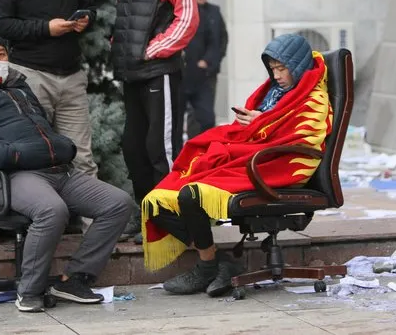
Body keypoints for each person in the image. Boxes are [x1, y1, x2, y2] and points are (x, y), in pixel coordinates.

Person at [0, 31, 133, 313]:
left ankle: (74, 279)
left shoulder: (17, 85)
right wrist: (14, 154)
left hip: (54, 170)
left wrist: (61, 146)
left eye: (2, 54)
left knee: (117, 203)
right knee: (51, 210)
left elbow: (40, 129)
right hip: (5, 177)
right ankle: (29, 291)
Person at [140, 34, 332, 297]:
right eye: (272, 69)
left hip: (276, 166)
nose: (276, 75)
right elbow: (263, 126)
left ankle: (208, 266)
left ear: (297, 66)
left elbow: (303, 139)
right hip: (253, 155)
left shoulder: (314, 98)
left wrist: (259, 122)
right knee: (157, 201)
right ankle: (219, 263)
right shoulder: (276, 90)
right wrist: (254, 123)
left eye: (281, 68)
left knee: (189, 194)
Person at [108, 0, 199, 243]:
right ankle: (153, 224)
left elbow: (187, 17)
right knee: (133, 149)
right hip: (132, 73)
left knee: (161, 151)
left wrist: (152, 50)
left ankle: (184, 229)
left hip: (159, 72)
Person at [0, 0, 98, 179]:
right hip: (30, 75)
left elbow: (90, 7)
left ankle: (92, 221)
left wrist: (86, 20)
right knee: (35, 156)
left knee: (82, 157)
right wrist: (46, 28)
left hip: (71, 76)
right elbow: (1, 25)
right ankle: (46, 219)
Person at [182, 0, 227, 139]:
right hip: (185, 72)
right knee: (188, 117)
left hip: (207, 73)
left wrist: (209, 61)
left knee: (207, 117)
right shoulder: (184, 11)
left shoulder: (214, 12)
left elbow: (222, 40)